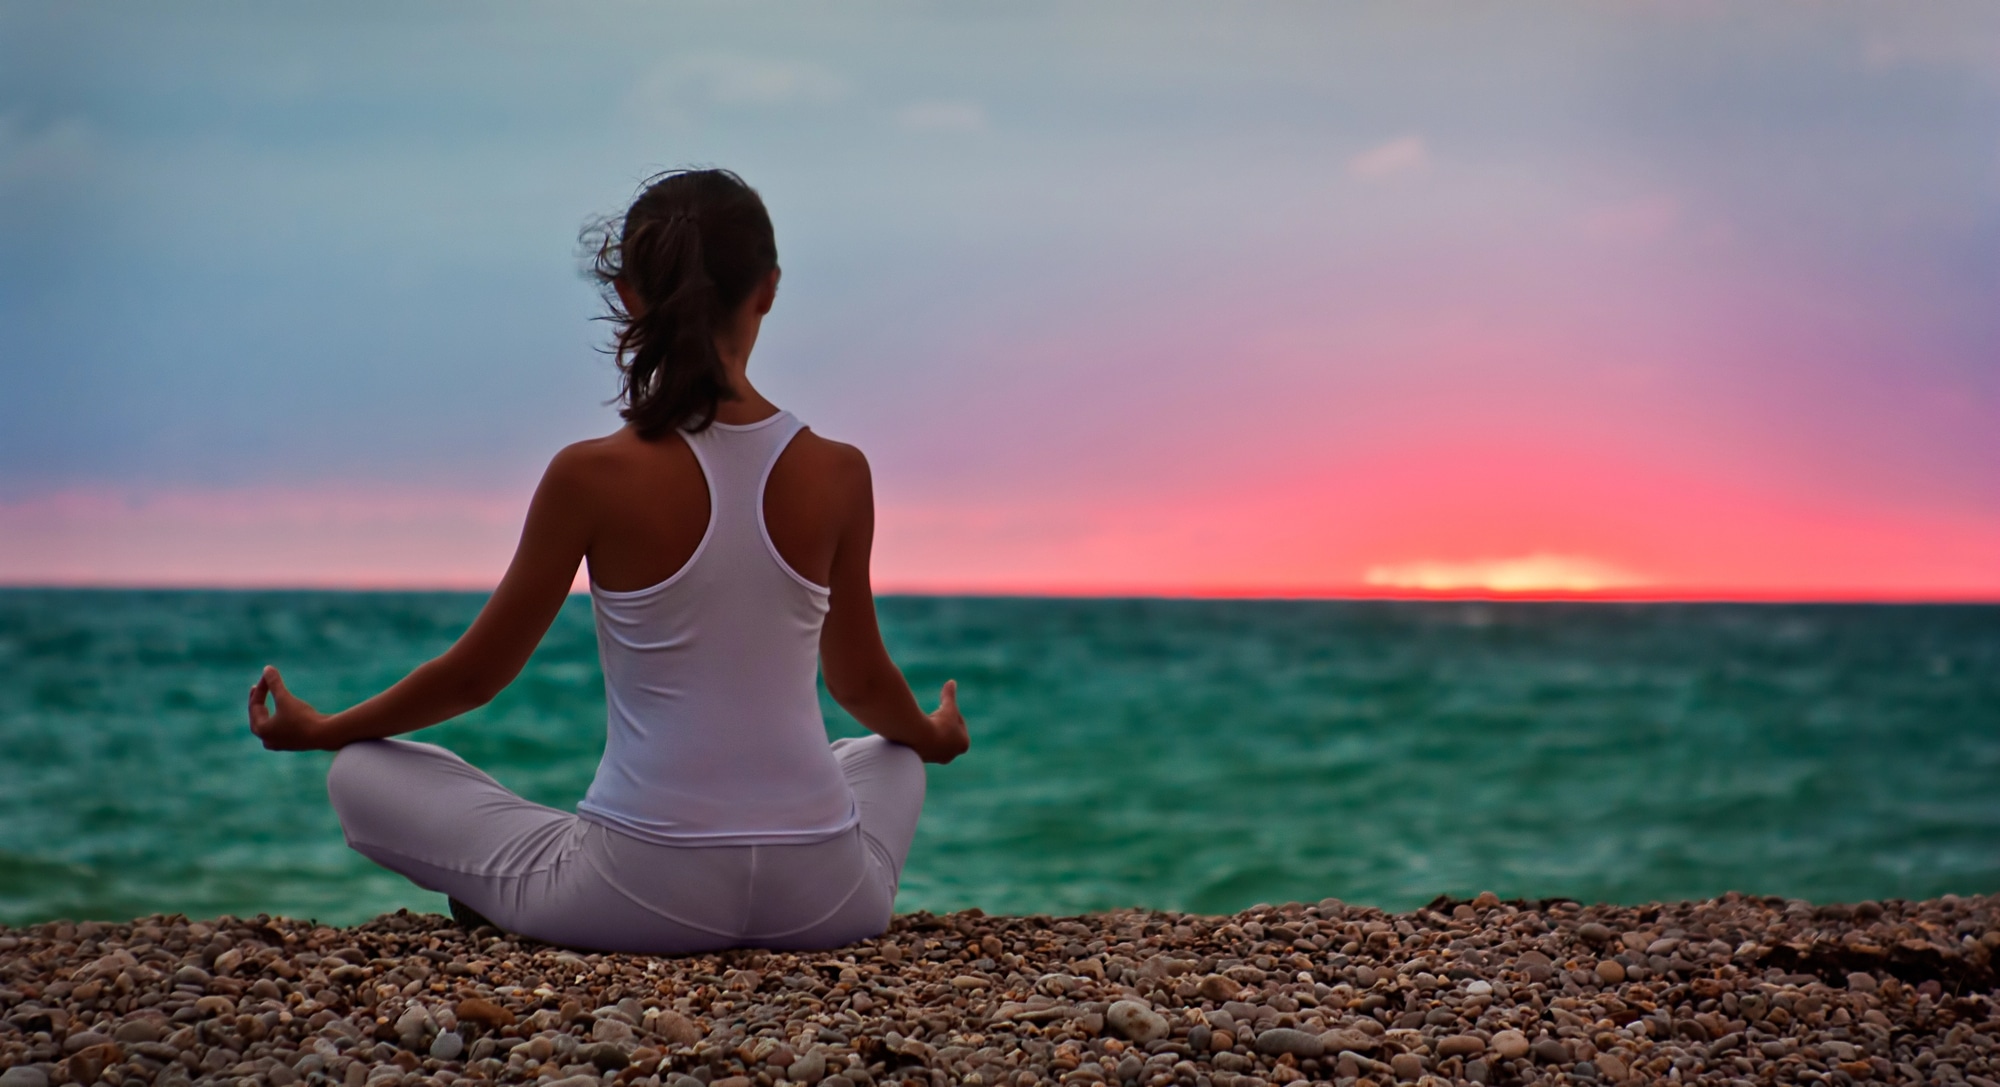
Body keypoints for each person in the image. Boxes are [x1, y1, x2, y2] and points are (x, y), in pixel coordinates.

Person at [245, 168, 969, 954]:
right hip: (825, 898)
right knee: (888, 756)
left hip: (641, 894)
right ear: (767, 289)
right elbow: (861, 683)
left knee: (359, 773)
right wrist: (932, 735)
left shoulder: (589, 475)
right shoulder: (839, 470)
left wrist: (325, 729)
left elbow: (475, 677)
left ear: (629, 295)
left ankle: (527, 890)